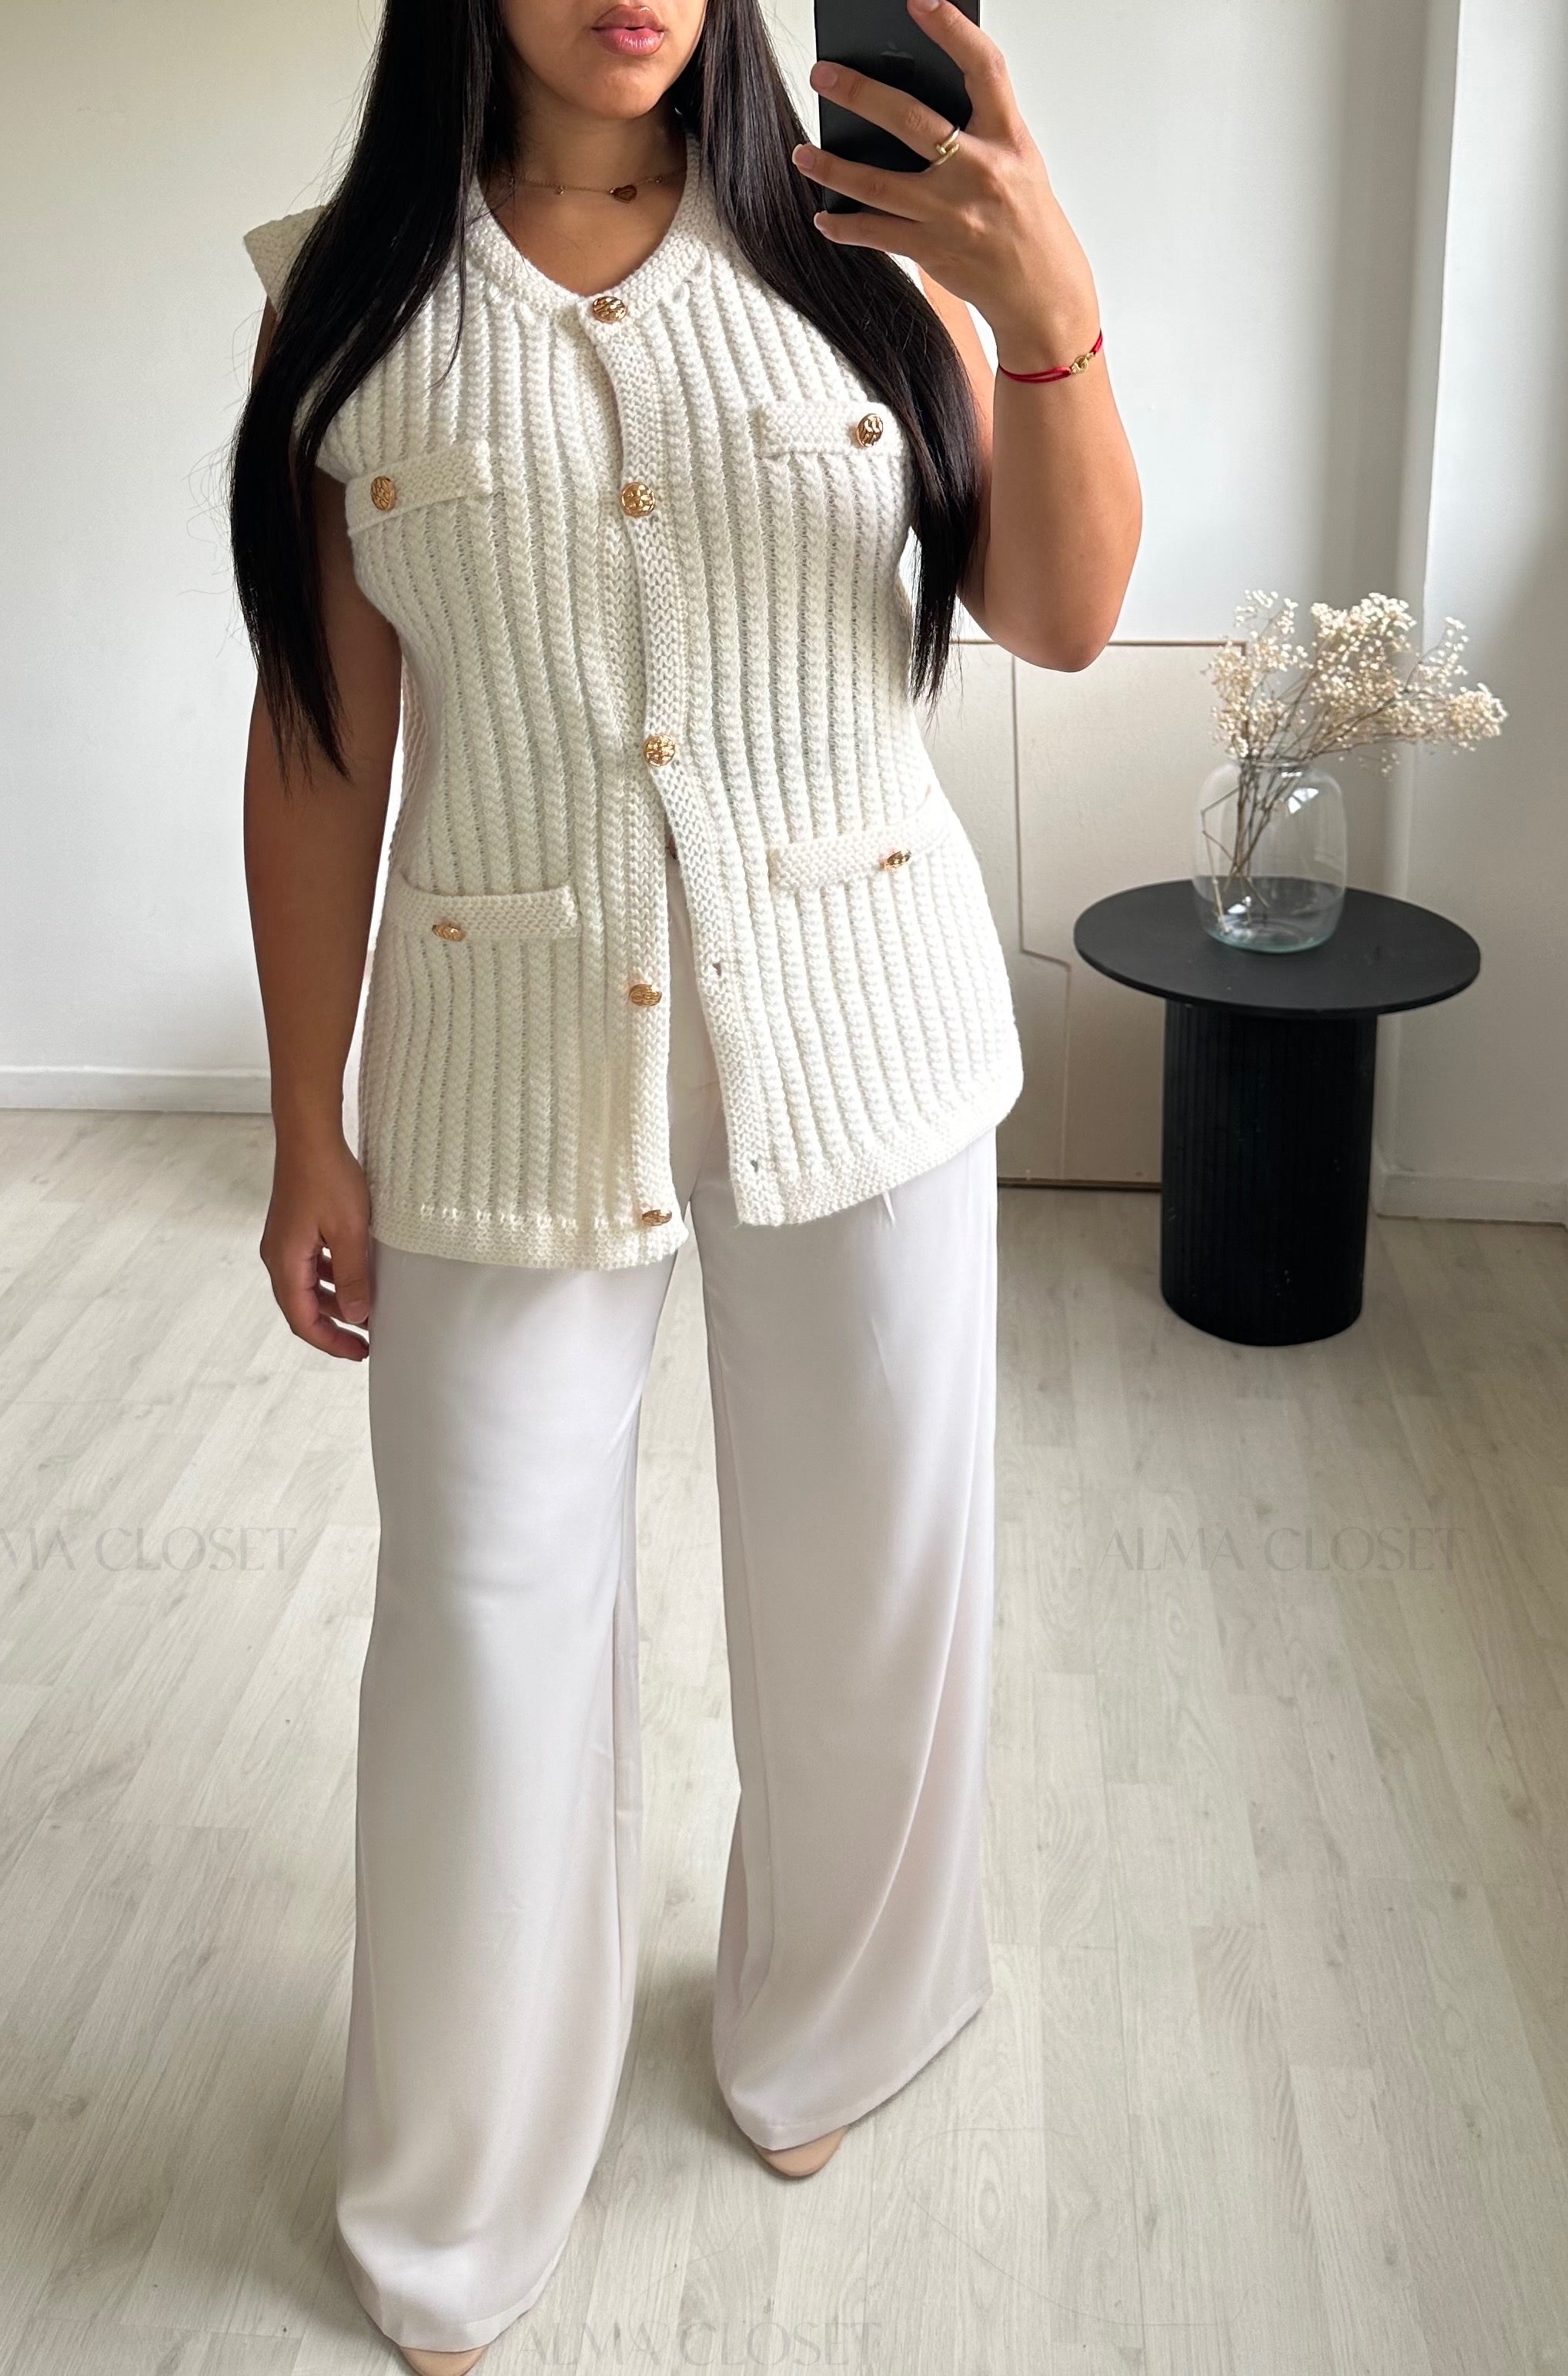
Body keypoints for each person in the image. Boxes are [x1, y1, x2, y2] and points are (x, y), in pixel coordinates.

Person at [229, 0, 1139, 2366]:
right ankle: (459, 2182)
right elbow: (322, 743)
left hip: (868, 1034)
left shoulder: (879, 253)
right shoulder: (347, 299)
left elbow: (1058, 618)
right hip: (504, 1060)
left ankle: (837, 2024)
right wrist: (309, 1114)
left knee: (870, 1582)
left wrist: (1048, 310)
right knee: (481, 1619)